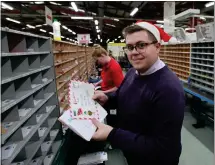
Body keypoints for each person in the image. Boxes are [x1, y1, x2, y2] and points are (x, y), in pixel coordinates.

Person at [91, 21, 185, 165]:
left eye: (141, 45)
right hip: (134, 152)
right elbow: (123, 95)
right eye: (129, 47)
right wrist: (107, 98)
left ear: (157, 47)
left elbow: (164, 149)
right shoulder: (132, 73)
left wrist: (112, 134)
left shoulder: (169, 89)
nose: (134, 52)